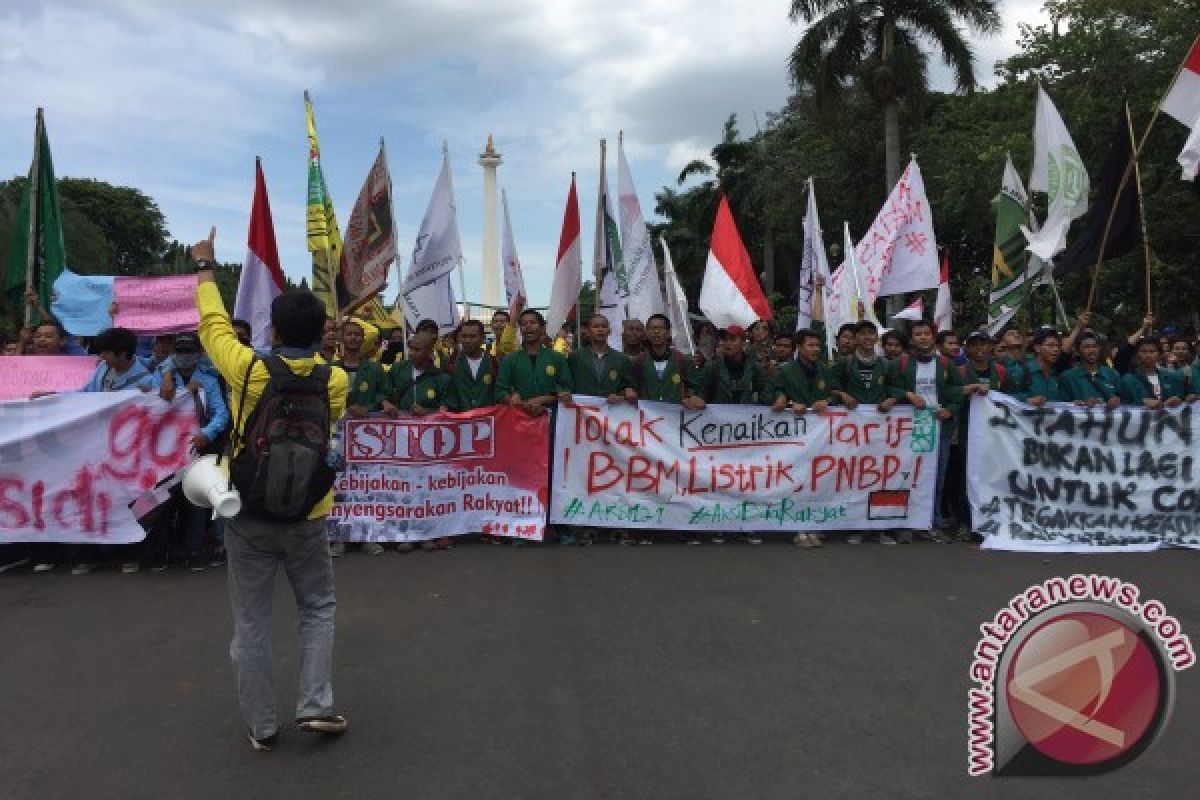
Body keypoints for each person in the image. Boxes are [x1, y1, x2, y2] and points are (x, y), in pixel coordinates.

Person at [192, 227, 349, 751]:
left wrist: (205, 269)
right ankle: (316, 705)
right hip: (309, 512)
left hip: (247, 512)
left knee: (252, 622)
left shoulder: (247, 368)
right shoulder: (336, 381)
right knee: (319, 607)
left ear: (273, 331)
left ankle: (262, 726)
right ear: (323, 332)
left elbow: (213, 326)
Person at [146, 331, 231, 573]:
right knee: (163, 502)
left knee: (195, 503)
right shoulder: (161, 378)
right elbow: (150, 408)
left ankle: (193, 551)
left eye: (189, 352)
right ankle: (160, 551)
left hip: (196, 449)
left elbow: (221, 414)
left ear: (198, 354)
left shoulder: (208, 380)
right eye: (180, 352)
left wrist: (207, 433)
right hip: (164, 453)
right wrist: (165, 380)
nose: (184, 357)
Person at [496, 309, 573, 545]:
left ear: (542, 328)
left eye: (532, 323)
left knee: (554, 476)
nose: (528, 327)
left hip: (551, 427)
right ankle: (523, 525)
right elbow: (499, 390)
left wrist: (543, 400)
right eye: (524, 324)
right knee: (523, 477)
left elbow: (567, 390)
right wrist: (511, 399)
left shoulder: (557, 359)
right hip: (520, 430)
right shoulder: (510, 361)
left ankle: (559, 527)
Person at [691, 325, 770, 544]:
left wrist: (778, 400)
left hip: (746, 433)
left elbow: (766, 394)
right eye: (725, 339)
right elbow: (700, 392)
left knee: (746, 479)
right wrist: (696, 399)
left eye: (733, 339)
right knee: (720, 479)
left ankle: (747, 525)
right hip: (719, 432)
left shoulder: (754, 368)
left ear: (743, 342)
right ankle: (719, 524)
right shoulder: (712, 368)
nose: (728, 343)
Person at [886, 319, 962, 543]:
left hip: (939, 430)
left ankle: (931, 521)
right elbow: (889, 387)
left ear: (932, 337)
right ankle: (905, 522)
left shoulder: (947, 365)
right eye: (917, 334)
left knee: (935, 477)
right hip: (908, 429)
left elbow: (957, 393)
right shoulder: (900, 363)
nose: (922, 338)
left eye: (926, 334)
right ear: (911, 339)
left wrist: (950, 410)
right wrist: (907, 395)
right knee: (907, 475)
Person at [566, 314, 638, 545]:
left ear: (609, 331)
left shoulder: (621, 360)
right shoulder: (575, 358)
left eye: (603, 326)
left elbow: (631, 385)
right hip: (583, 427)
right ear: (587, 331)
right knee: (586, 475)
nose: (599, 330)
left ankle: (617, 523)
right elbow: (566, 384)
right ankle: (588, 524)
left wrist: (627, 391)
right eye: (595, 326)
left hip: (612, 429)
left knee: (614, 474)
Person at [383, 332, 453, 552]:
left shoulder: (441, 378)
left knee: (426, 490)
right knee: (402, 489)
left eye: (417, 349)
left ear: (430, 351)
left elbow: (448, 408)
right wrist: (386, 404)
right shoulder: (397, 371)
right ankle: (404, 533)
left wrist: (429, 412)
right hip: (400, 443)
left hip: (429, 446)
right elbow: (383, 395)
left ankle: (426, 533)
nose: (412, 352)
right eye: (410, 348)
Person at [771, 329, 839, 548]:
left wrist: (827, 400)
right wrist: (789, 403)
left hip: (819, 434)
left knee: (816, 478)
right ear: (799, 347)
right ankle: (796, 527)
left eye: (817, 346)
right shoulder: (785, 370)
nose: (815, 350)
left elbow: (835, 393)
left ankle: (813, 525)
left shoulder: (825, 371)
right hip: (793, 434)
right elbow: (769, 394)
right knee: (795, 478)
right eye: (810, 345)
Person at [832, 321, 897, 545]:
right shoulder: (845, 363)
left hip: (880, 430)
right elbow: (830, 386)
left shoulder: (886, 365)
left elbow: (897, 389)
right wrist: (842, 395)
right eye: (863, 334)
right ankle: (855, 526)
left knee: (880, 476)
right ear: (856, 338)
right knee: (855, 477)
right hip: (852, 432)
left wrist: (892, 399)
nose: (868, 338)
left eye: (872, 333)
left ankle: (880, 527)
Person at [335, 319, 388, 417]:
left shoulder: (375, 368)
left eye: (357, 334)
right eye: (349, 334)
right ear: (342, 338)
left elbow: (384, 395)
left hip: (368, 425)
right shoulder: (332, 368)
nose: (353, 337)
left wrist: (368, 408)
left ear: (363, 338)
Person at [1058, 331, 1122, 408]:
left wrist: (1116, 401)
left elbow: (1125, 404)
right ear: (1077, 352)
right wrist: (1078, 404)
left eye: (1094, 346)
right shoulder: (1067, 377)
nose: (1092, 350)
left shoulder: (1113, 374)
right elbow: (1061, 407)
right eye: (1087, 347)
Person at [446, 319, 498, 412]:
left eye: (472, 337)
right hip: (460, 421)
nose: (467, 340)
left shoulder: (493, 362)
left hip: (487, 420)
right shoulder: (452, 362)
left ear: (482, 338)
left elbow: (498, 392)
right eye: (464, 336)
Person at [1119, 337, 1187, 408]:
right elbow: (1123, 405)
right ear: (1137, 355)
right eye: (1143, 351)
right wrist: (1142, 402)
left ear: (1159, 355)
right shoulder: (1127, 379)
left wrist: (1178, 400)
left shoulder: (1172, 376)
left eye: (1152, 351)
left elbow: (1181, 399)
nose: (1148, 355)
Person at [1010, 328, 1065, 405]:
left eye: (1058, 346)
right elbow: (1003, 398)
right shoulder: (1021, 371)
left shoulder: (1056, 375)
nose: (1056, 349)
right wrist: (1026, 400)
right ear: (1037, 348)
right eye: (1050, 345)